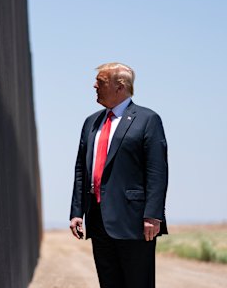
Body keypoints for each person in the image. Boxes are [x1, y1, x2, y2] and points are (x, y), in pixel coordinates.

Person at [69, 62, 168, 288]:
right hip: (98, 218)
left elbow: (157, 171)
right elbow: (80, 169)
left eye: (101, 82)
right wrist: (77, 211)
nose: (94, 85)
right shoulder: (91, 122)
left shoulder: (148, 119)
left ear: (120, 86)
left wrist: (153, 215)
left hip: (134, 221)